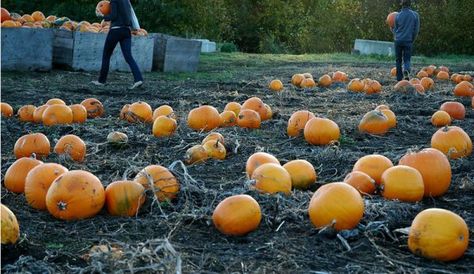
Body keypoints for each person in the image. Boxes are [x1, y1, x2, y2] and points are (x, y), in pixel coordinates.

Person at [92, 0, 144, 89]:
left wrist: (102, 16)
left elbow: (113, 16)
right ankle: (138, 79)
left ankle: (101, 81)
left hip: (116, 30)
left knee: (106, 55)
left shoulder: (114, 1)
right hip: (127, 31)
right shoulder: (127, 1)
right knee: (128, 57)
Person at [392, 0, 420, 81]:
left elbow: (396, 31)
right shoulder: (415, 15)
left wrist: (391, 29)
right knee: (407, 59)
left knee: (398, 60)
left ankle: (399, 79)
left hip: (398, 40)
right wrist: (412, 39)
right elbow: (416, 30)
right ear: (410, 4)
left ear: (401, 4)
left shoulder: (397, 16)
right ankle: (406, 70)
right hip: (408, 40)